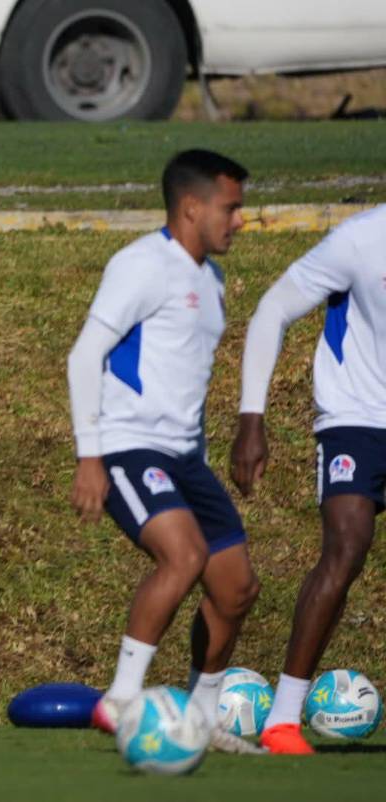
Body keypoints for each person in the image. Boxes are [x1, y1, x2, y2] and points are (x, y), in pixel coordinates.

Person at [66, 149, 262, 754]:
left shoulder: (212, 278)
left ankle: (201, 720)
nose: (239, 221)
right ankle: (120, 698)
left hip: (185, 458)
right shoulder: (141, 265)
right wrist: (90, 455)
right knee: (183, 557)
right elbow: (83, 356)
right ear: (191, 206)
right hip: (128, 447)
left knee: (236, 588)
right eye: (231, 209)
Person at [230, 204, 386, 755]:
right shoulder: (361, 240)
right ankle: (283, 719)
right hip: (356, 417)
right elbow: (273, 309)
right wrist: (252, 416)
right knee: (346, 548)